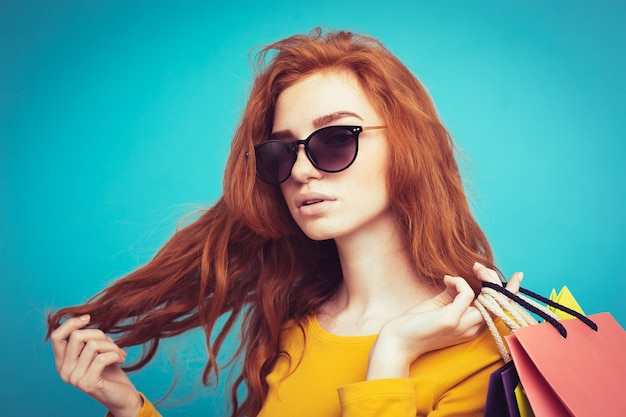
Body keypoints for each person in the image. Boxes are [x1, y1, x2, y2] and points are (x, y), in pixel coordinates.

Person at [47, 28, 522, 417]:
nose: (299, 171)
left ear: (408, 147)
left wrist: (392, 355)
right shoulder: (296, 328)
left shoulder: (481, 352)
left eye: (335, 138)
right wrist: (129, 407)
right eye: (282, 151)